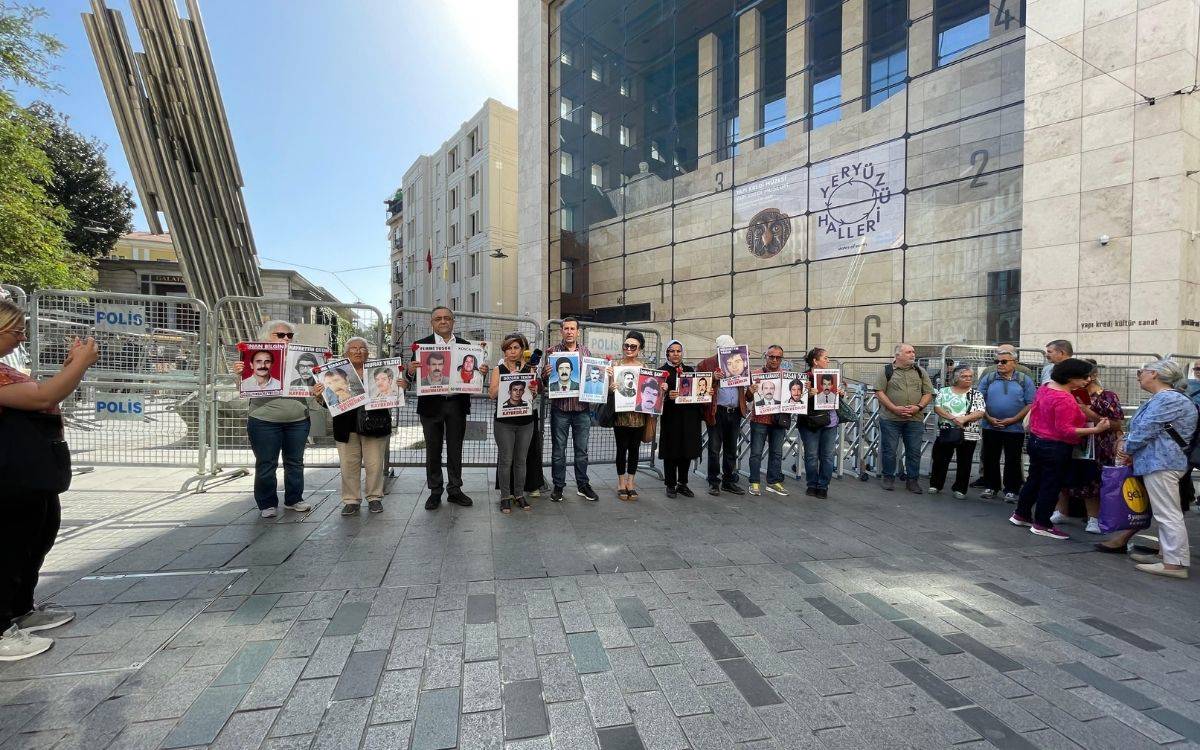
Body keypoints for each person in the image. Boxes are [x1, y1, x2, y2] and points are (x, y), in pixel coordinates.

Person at [0, 300, 97, 661]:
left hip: (30, 472)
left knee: (34, 538)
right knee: (8, 547)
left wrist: (73, 366)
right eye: (16, 331)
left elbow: (44, 393)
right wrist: (81, 364)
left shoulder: (6, 369)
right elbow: (44, 396)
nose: (21, 337)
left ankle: (20, 610)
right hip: (9, 474)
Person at [1106, 361, 1196, 578]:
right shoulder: (1168, 398)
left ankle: (1174, 564)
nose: (1139, 376)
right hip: (1162, 460)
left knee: (1168, 514)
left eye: (1141, 372)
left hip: (1162, 461)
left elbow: (1146, 429)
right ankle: (1167, 557)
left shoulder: (1167, 398)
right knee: (1166, 512)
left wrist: (1125, 448)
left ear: (1154, 374)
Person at [1008, 358, 1111, 539]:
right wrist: (1096, 429)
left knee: (1034, 480)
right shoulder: (1064, 399)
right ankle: (1042, 523)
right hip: (1055, 446)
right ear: (1071, 378)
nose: (1087, 381)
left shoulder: (1045, 388)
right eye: (1084, 377)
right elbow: (1066, 430)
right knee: (1051, 485)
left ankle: (1021, 514)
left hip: (1036, 440)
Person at [234, 321, 314, 518]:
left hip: (298, 419)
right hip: (263, 420)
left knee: (295, 462)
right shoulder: (257, 358)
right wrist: (238, 374)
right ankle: (267, 503)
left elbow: (314, 387)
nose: (285, 338)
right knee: (266, 463)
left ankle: (294, 499)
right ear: (266, 337)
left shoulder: (301, 360)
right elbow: (242, 387)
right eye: (280, 335)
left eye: (289, 335)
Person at [407, 306, 481, 509]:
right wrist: (410, 370)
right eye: (438, 318)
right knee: (433, 450)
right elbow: (408, 380)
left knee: (455, 449)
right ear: (432, 323)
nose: (443, 321)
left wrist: (481, 371)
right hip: (430, 405)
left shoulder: (467, 346)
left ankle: (455, 489)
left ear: (453, 321)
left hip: (456, 403)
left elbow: (475, 375)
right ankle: (435, 491)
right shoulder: (420, 346)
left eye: (447, 318)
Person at [315, 337, 392, 516]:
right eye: (354, 348)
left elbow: (390, 395)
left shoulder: (377, 372)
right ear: (345, 353)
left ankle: (374, 498)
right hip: (345, 426)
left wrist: (399, 387)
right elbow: (329, 403)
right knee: (348, 465)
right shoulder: (334, 374)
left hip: (375, 425)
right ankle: (351, 500)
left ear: (368, 352)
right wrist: (320, 396)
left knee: (375, 464)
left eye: (362, 348)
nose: (358, 351)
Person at [1052, 360, 1123, 533]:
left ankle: (1093, 517)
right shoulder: (1068, 392)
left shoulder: (1107, 396)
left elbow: (1116, 424)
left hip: (1098, 446)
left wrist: (1087, 411)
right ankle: (1061, 511)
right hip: (1073, 441)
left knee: (1092, 482)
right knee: (1065, 478)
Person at [542, 317, 598, 502]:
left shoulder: (586, 351)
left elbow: (592, 378)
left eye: (572, 328)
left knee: (582, 450)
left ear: (578, 331)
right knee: (559, 450)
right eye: (566, 328)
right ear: (561, 331)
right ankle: (559, 487)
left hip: (582, 408)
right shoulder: (552, 352)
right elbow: (545, 382)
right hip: (561, 409)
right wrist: (545, 374)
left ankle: (583, 484)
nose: (569, 331)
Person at [874, 343, 934, 494]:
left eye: (913, 351)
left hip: (915, 418)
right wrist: (894, 408)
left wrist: (918, 407)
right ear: (898, 355)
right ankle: (888, 477)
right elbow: (879, 392)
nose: (913, 354)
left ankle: (912, 480)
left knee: (913, 451)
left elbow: (928, 393)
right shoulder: (886, 371)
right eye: (908, 352)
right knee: (890, 450)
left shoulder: (921, 371)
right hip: (890, 419)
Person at [979, 350, 1036, 502]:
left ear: (1014, 363)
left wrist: (1014, 419)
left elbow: (1030, 403)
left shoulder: (1024, 380)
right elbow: (979, 400)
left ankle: (1011, 489)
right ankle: (991, 486)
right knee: (990, 457)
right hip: (990, 426)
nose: (999, 364)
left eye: (1003, 361)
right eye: (997, 362)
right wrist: (989, 418)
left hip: (1015, 428)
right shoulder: (989, 378)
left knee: (1013, 458)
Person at [490, 332, 535, 514]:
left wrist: (534, 388)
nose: (512, 351)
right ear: (504, 351)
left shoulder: (530, 369)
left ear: (522, 350)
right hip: (504, 423)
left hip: (525, 422)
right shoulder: (498, 370)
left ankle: (519, 494)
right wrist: (507, 379)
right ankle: (505, 496)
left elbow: (533, 395)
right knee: (506, 460)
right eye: (509, 348)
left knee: (521, 461)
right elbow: (492, 394)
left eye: (516, 347)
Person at [698, 335, 747, 496]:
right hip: (717, 411)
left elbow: (747, 390)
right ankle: (713, 481)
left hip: (734, 411)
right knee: (714, 448)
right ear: (718, 349)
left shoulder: (739, 361)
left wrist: (750, 390)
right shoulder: (707, 363)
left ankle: (728, 480)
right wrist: (712, 377)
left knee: (731, 448)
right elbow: (699, 385)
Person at [929, 366, 987, 499]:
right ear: (956, 378)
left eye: (970, 376)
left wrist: (964, 419)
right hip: (946, 430)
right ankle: (936, 484)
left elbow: (980, 412)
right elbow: (938, 408)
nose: (968, 379)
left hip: (969, 432)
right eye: (964, 376)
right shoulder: (944, 391)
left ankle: (960, 488)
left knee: (965, 461)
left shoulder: (976, 394)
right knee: (940, 459)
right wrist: (954, 418)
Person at [659, 340, 702, 498]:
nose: (675, 354)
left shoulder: (690, 370)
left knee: (687, 451)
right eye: (672, 351)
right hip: (671, 417)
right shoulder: (662, 372)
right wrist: (666, 395)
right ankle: (670, 484)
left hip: (689, 417)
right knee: (671, 452)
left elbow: (698, 391)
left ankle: (683, 483)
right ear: (667, 353)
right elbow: (655, 396)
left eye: (678, 351)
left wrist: (706, 392)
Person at [746, 346, 790, 497]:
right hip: (759, 419)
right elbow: (747, 398)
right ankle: (754, 481)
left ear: (781, 359)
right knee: (756, 452)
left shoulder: (787, 376)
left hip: (778, 420)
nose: (774, 360)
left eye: (778, 357)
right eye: (771, 356)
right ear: (765, 356)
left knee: (777, 452)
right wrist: (750, 391)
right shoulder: (755, 374)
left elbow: (794, 397)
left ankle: (773, 481)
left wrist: (804, 389)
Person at [798, 348, 843, 498]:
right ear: (815, 361)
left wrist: (841, 393)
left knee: (828, 456)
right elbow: (795, 400)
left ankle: (823, 486)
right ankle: (812, 484)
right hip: (809, 422)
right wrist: (807, 395)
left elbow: (837, 395)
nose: (828, 360)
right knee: (811, 455)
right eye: (825, 358)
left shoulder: (831, 376)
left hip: (830, 422)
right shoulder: (803, 378)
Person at [610, 330, 647, 501]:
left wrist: (662, 388)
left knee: (634, 450)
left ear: (639, 349)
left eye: (633, 346)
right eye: (626, 345)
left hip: (639, 417)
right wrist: (610, 387)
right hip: (621, 417)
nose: (629, 349)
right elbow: (605, 392)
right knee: (621, 449)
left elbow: (649, 391)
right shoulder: (615, 366)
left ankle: (631, 482)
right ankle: (620, 482)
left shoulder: (644, 368)